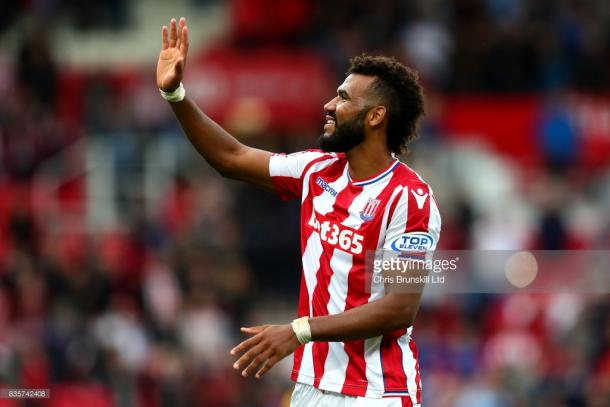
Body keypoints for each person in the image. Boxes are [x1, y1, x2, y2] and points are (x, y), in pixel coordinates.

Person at [157, 17, 441, 407]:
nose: (329, 104)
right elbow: (231, 157)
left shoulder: (409, 198)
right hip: (311, 388)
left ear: (375, 116)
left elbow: (399, 307)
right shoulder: (315, 170)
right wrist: (175, 95)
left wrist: (299, 331)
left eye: (343, 97)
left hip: (379, 392)